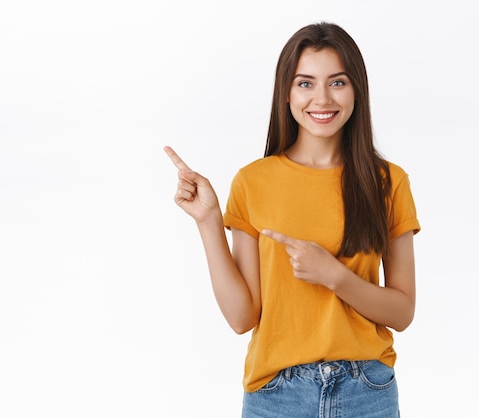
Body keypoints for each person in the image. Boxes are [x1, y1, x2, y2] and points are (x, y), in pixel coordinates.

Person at [164, 22, 420, 418]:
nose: (321, 98)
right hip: (276, 396)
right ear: (286, 92)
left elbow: (403, 312)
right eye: (305, 83)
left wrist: (334, 276)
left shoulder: (388, 182)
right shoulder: (253, 181)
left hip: (366, 392)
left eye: (337, 82)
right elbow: (241, 318)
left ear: (357, 90)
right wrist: (209, 221)